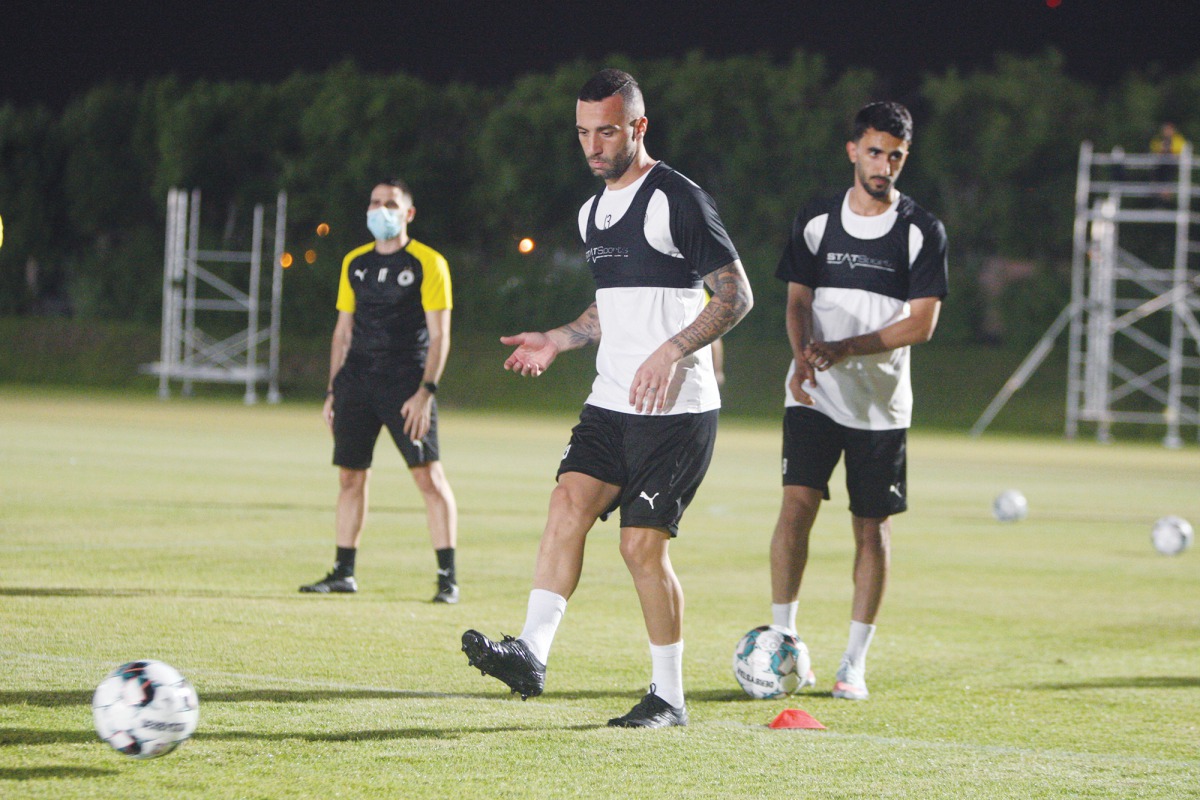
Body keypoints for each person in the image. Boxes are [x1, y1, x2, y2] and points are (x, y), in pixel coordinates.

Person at [461, 68, 753, 728]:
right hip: (610, 402)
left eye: (608, 131)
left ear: (638, 127)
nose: (593, 146)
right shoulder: (593, 212)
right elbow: (611, 308)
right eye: (584, 133)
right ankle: (530, 653)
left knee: (640, 549)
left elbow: (736, 296)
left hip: (675, 412)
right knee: (566, 502)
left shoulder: (676, 198)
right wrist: (558, 339)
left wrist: (673, 349)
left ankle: (670, 698)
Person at [769, 101, 948, 701]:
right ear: (853, 150)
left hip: (881, 406)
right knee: (796, 506)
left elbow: (921, 324)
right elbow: (797, 300)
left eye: (895, 155)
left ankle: (854, 662)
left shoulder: (921, 230)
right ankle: (784, 641)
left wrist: (845, 347)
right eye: (875, 151)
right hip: (814, 394)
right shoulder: (818, 217)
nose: (884, 165)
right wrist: (802, 359)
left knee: (869, 529)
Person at [300, 178, 460, 604]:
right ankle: (343, 572)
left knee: (428, 478)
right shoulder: (354, 262)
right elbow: (343, 332)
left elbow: (439, 335)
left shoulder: (428, 263)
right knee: (350, 476)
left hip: (406, 385)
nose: (380, 210)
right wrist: (334, 390)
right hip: (356, 382)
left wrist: (426, 391)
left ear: (408, 213)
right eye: (374, 202)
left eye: (390, 203)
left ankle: (447, 578)